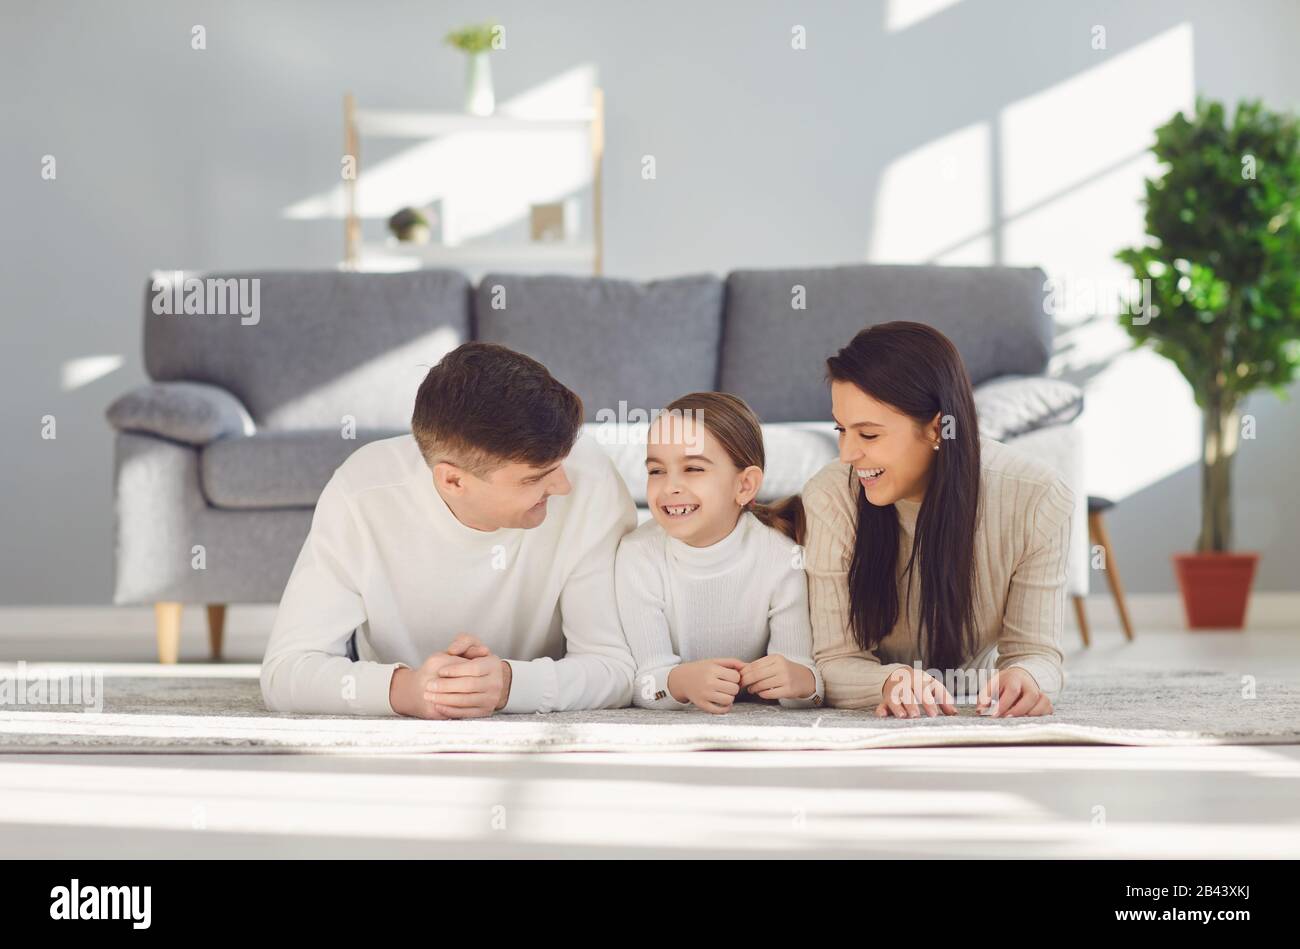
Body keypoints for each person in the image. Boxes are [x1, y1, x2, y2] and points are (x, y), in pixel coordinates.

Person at [260, 342, 638, 718]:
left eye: (562, 461)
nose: (563, 487)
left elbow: (615, 668)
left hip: (539, 673)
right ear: (453, 481)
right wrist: (405, 691)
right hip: (389, 669)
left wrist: (509, 685)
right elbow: (285, 671)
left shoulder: (592, 480)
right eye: (536, 478)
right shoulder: (362, 492)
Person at [802, 321, 1073, 719]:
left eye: (869, 435)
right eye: (841, 430)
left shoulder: (1036, 495)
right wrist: (890, 682)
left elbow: (1037, 652)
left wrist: (1026, 679)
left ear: (935, 429)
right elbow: (835, 660)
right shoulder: (831, 496)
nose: (847, 454)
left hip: (973, 702)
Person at [615, 392, 823, 713]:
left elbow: (804, 677)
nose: (670, 486)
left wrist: (801, 681)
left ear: (744, 486)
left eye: (693, 468)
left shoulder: (782, 558)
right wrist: (680, 682)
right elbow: (643, 683)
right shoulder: (637, 556)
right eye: (656, 471)